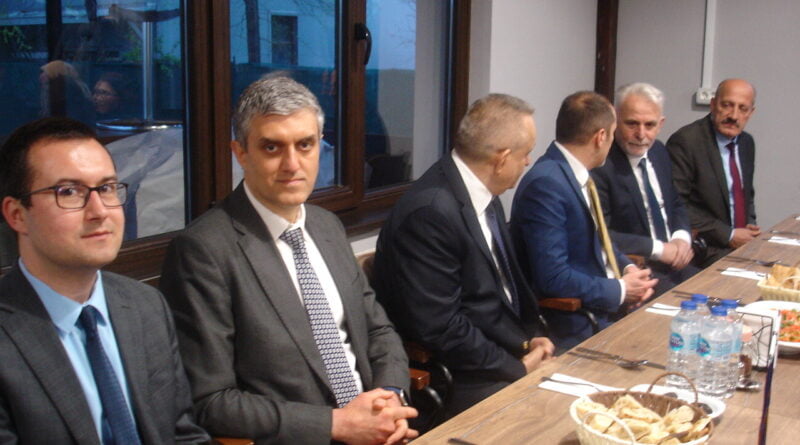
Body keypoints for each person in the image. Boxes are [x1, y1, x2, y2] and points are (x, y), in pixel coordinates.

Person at [160, 76, 417, 444]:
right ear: (240, 153)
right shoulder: (203, 251)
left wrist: (389, 397)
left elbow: (378, 331)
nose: (292, 164)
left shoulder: (327, 226)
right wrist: (337, 424)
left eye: (305, 144)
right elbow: (210, 401)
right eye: (272, 147)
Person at [0, 117, 209, 444]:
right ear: (17, 214)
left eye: (107, 188)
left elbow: (182, 435)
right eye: (69, 192)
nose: (99, 211)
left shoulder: (146, 306)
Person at [373, 93, 554, 417]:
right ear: (502, 159)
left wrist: (531, 339)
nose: (528, 162)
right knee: (548, 419)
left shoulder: (486, 193)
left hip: (499, 351)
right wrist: (515, 367)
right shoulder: (430, 212)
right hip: (461, 374)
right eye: (526, 153)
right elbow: (441, 328)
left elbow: (504, 289)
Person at [511, 91, 658, 350]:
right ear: (600, 137)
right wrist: (621, 290)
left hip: (605, 308)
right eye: (612, 134)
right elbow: (553, 278)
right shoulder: (547, 184)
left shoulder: (575, 174)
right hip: (576, 323)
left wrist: (627, 270)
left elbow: (599, 241)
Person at [591, 83, 698, 296]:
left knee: (724, 292)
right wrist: (659, 249)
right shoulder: (601, 165)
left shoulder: (659, 152)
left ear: (661, 124)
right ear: (615, 120)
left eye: (649, 125)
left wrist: (681, 238)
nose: (641, 134)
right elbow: (601, 233)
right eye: (632, 123)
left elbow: (676, 203)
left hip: (677, 262)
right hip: (640, 270)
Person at [666, 79, 759, 267]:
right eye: (727, 105)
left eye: (742, 109)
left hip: (739, 245)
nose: (734, 115)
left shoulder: (746, 143)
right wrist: (729, 235)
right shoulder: (686, 141)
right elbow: (675, 203)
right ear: (713, 104)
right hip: (703, 248)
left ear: (751, 113)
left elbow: (745, 194)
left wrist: (749, 225)